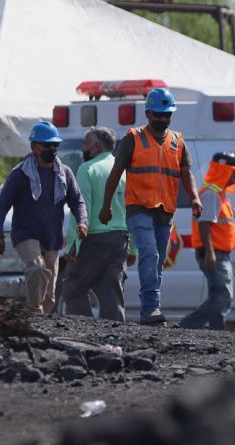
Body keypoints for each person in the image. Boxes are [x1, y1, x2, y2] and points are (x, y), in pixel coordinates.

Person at [99, 88, 202, 326]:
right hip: (138, 207)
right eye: (159, 114)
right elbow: (115, 174)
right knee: (149, 252)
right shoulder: (133, 139)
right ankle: (151, 308)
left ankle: (150, 310)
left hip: (164, 210)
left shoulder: (178, 141)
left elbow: (187, 174)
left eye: (167, 114)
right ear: (148, 113)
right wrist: (106, 206)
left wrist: (194, 198)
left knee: (158, 260)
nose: (164, 119)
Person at [0, 121, 87, 314]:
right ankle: (33, 310)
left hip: (52, 236)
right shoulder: (20, 175)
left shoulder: (64, 173)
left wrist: (82, 221)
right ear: (34, 147)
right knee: (36, 267)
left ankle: (42, 324)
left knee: (50, 291)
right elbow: (2, 205)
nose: (52, 149)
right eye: (47, 145)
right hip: (25, 234)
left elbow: (77, 201)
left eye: (55, 145)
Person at [61, 127, 137, 322]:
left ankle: (85, 332)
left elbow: (81, 208)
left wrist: (73, 245)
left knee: (72, 287)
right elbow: (134, 211)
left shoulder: (87, 169)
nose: (82, 148)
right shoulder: (125, 171)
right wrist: (134, 249)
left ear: (96, 147)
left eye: (85, 144)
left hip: (94, 239)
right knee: (111, 291)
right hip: (120, 240)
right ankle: (115, 339)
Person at [179, 152, 235, 330]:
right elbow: (204, 224)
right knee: (222, 295)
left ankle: (218, 331)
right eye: (233, 172)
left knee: (218, 295)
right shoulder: (211, 195)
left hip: (220, 252)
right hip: (214, 252)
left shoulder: (218, 194)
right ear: (223, 171)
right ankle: (187, 326)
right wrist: (209, 252)